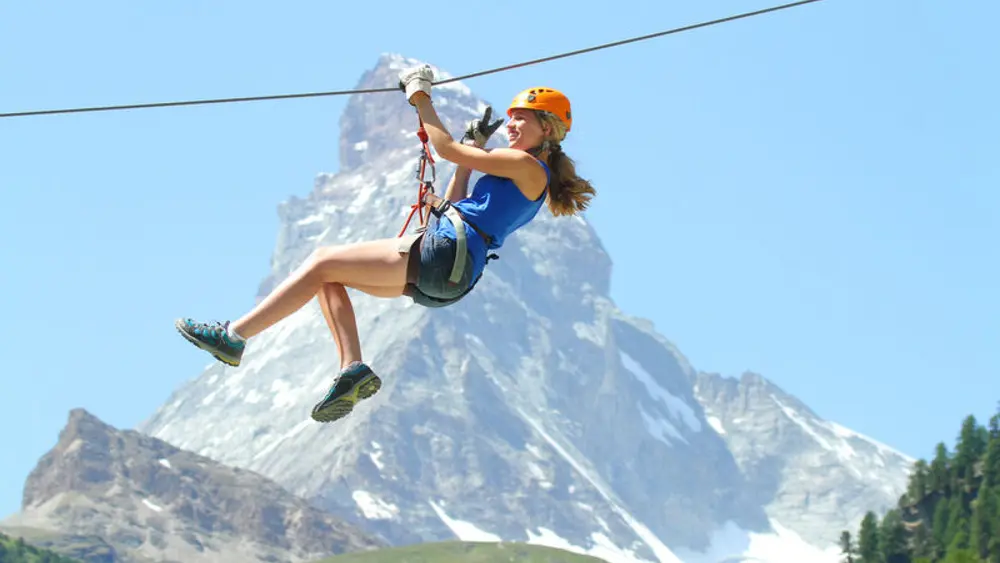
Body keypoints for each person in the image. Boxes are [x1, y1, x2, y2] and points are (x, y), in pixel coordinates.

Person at [174, 64, 596, 423]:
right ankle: (351, 369)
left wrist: (420, 97)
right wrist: (475, 150)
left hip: (444, 253)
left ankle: (234, 337)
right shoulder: (527, 178)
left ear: (548, 129)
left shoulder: (525, 165)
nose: (513, 125)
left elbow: (444, 149)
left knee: (321, 260)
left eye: (524, 119)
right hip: (451, 274)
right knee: (327, 280)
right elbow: (453, 199)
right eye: (513, 118)